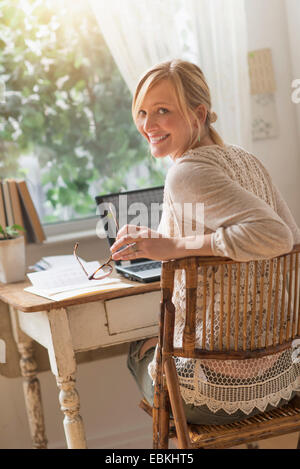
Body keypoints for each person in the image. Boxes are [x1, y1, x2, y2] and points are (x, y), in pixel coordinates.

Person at [110, 59, 300, 425]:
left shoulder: (186, 173)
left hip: (214, 394)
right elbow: (293, 237)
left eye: (163, 111)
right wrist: (159, 240)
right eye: (143, 112)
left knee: (139, 351)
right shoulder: (248, 161)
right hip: (282, 376)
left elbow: (275, 236)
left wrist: (178, 248)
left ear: (198, 113)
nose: (148, 125)